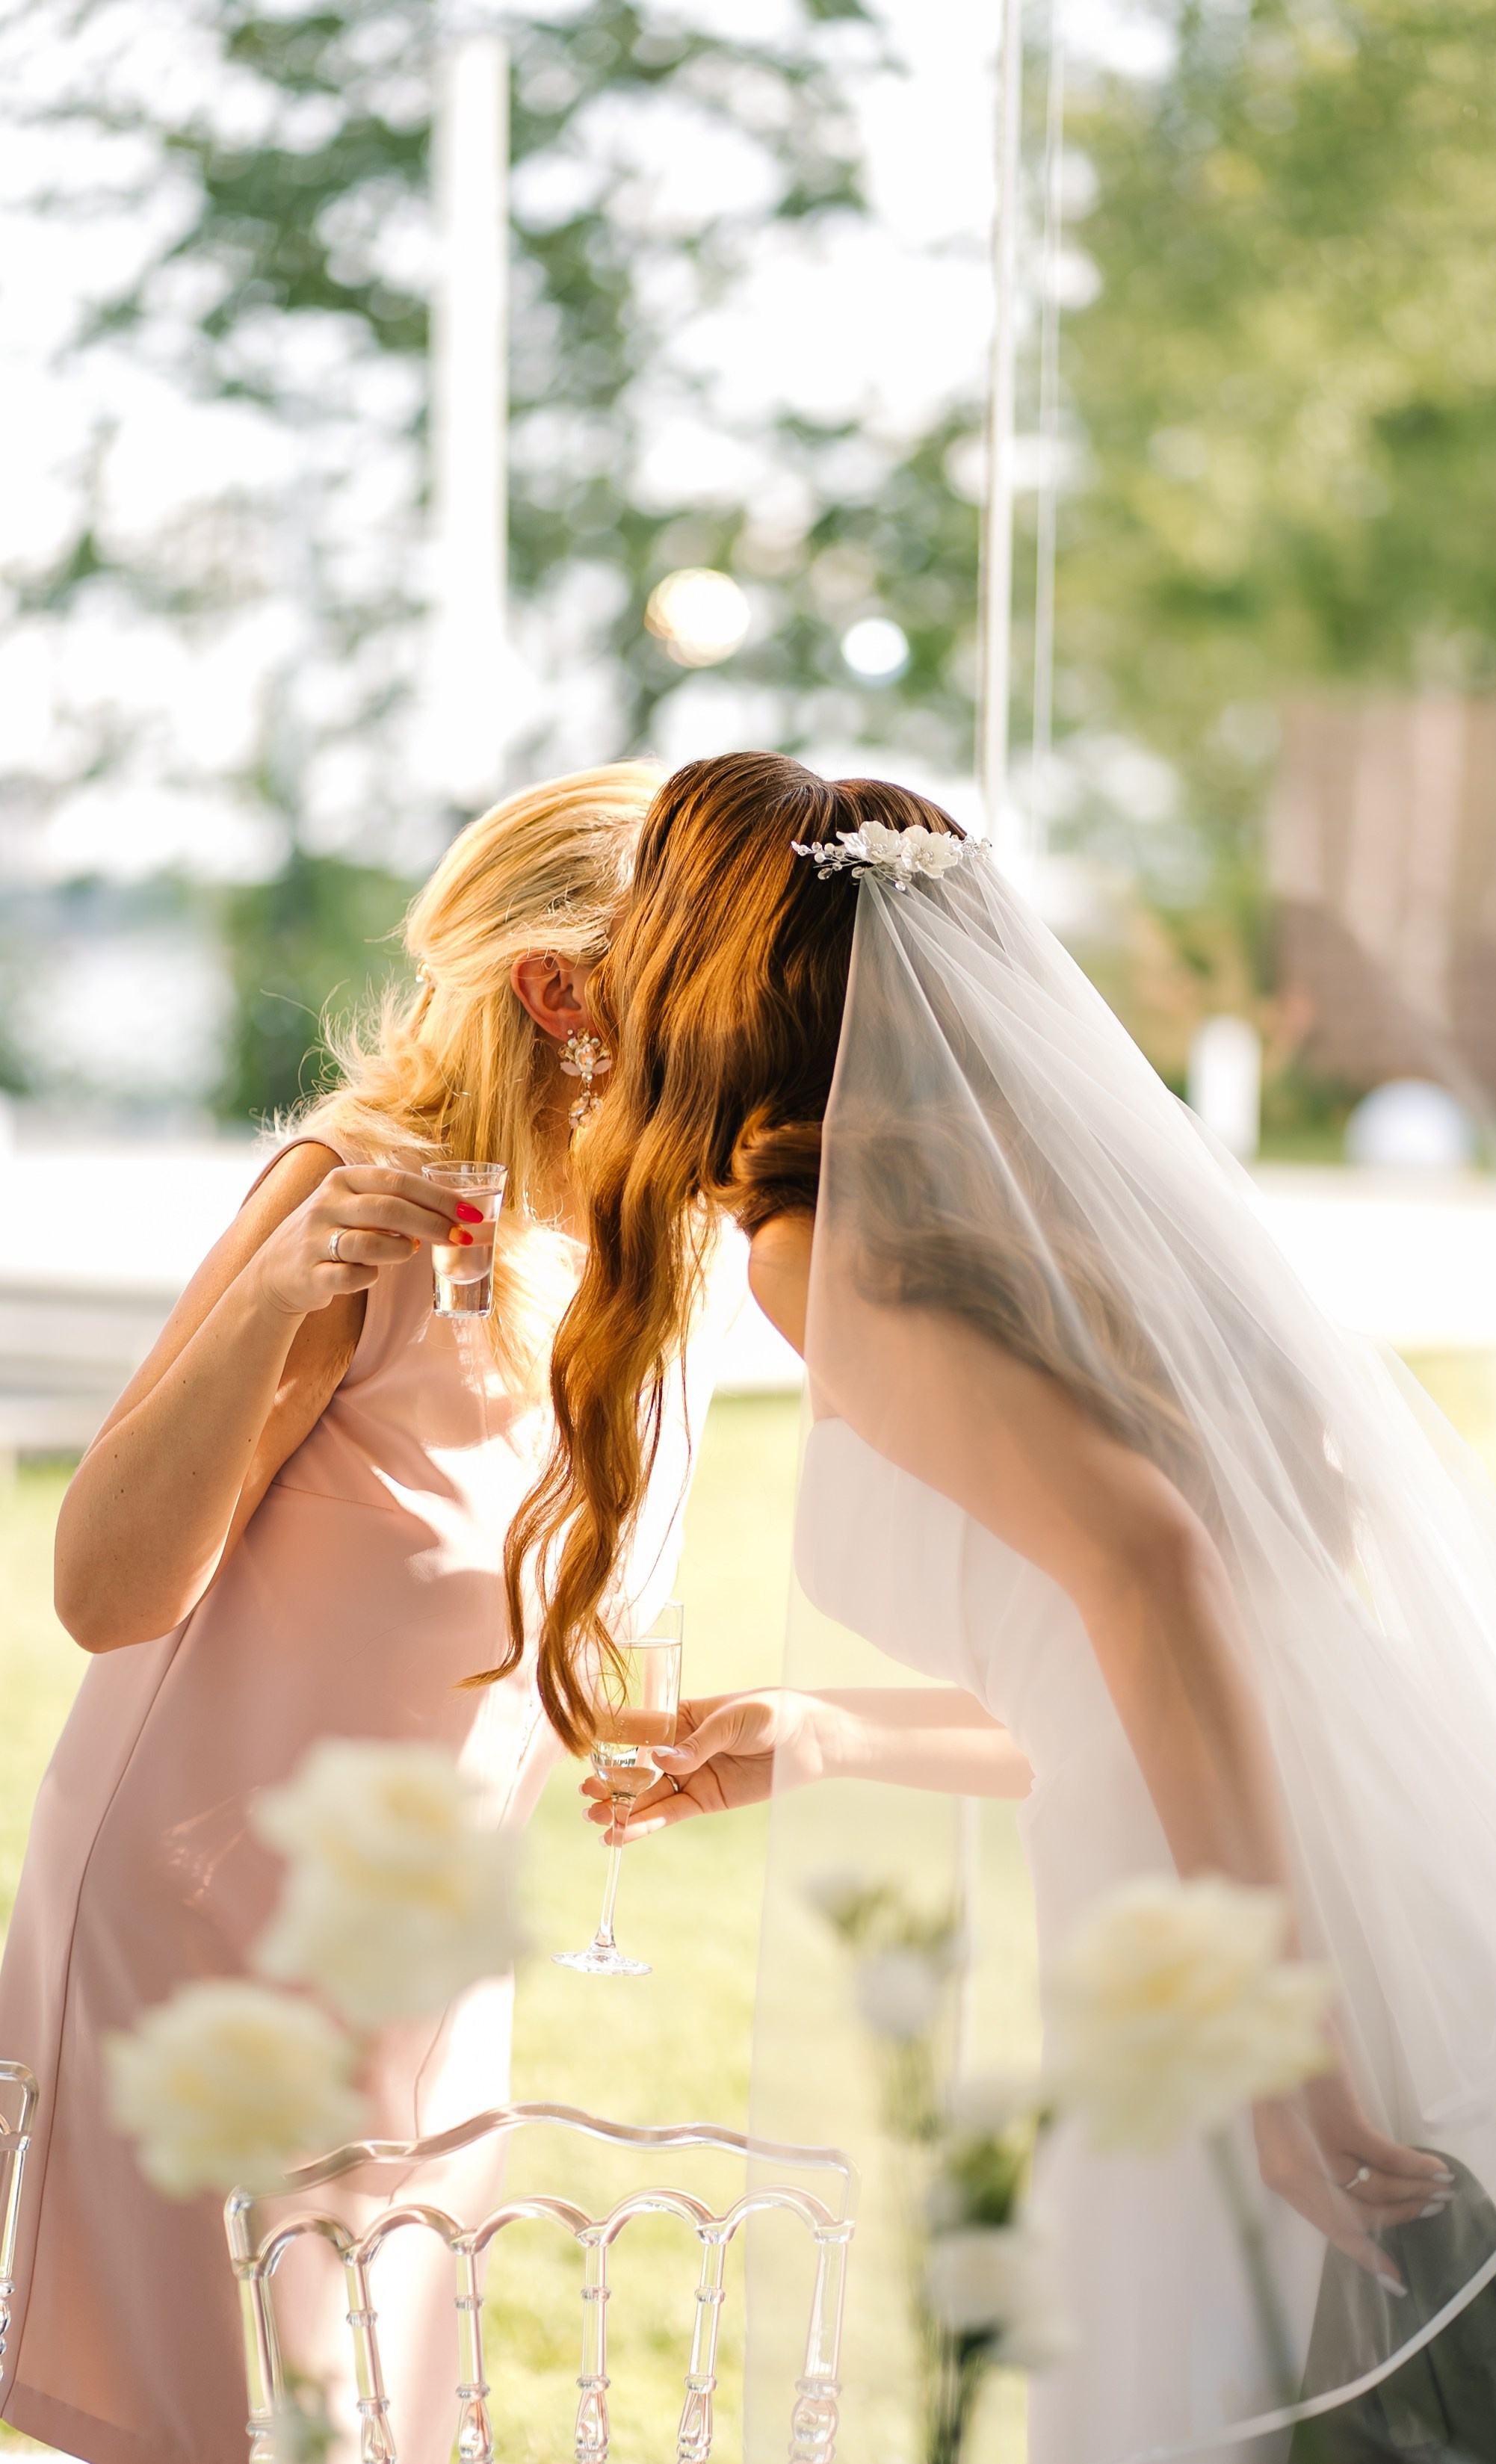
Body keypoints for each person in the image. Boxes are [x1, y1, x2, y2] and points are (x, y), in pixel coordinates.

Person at [503, 749, 1496, 2464]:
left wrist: (1275, 2045)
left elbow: (1152, 1571)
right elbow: (1165, 1667)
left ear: (709, 970)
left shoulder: (822, 1246)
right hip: (1316, 1891)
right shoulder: (1034, 1227)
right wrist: (837, 1729)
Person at [0, 764, 727, 2464]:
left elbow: (471, 1590)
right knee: (244, 2419)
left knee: (365, 2416)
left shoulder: (648, 1240)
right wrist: (272, 1284)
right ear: (564, 992)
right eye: (712, 967)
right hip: (217, 1929)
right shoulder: (369, 1205)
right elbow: (104, 1590)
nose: (756, 1009)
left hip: (419, 1944)